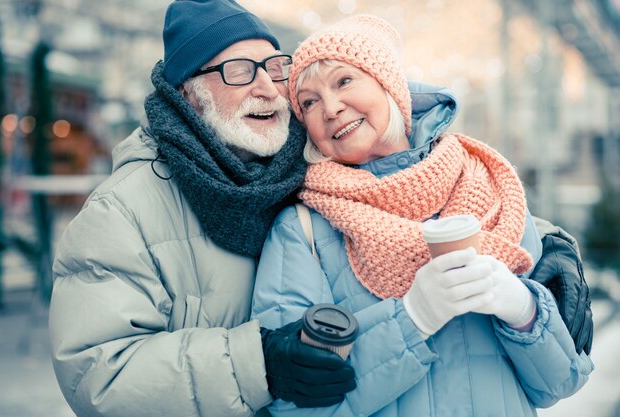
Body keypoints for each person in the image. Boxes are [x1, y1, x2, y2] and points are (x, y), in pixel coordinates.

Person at [251, 14, 594, 417]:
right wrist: (411, 320)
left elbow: (561, 383)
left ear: (389, 86)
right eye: (308, 102)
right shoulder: (302, 231)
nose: (330, 108)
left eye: (344, 81)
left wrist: (523, 310)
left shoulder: (489, 188)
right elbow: (295, 408)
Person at [48, 1, 357, 416]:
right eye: (240, 71)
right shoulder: (120, 212)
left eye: (274, 67)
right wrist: (259, 365)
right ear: (188, 95)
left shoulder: (321, 176)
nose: (267, 87)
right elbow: (99, 374)